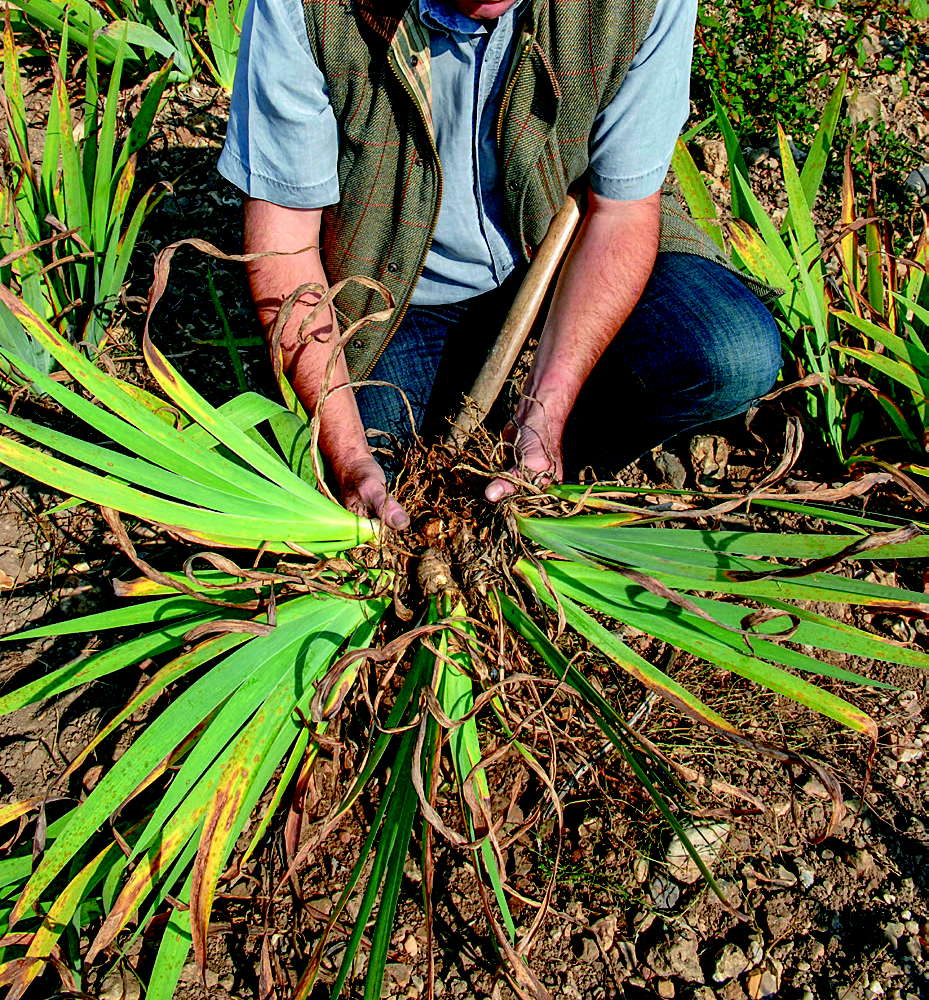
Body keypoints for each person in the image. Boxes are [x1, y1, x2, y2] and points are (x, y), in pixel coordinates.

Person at [218, 0, 782, 530]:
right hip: (397, 294)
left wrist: (547, 407)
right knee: (350, 483)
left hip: (566, 251)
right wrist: (346, 453)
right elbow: (285, 241)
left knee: (729, 350)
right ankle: (453, 469)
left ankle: (536, 466)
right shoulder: (306, 9)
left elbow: (620, 211)